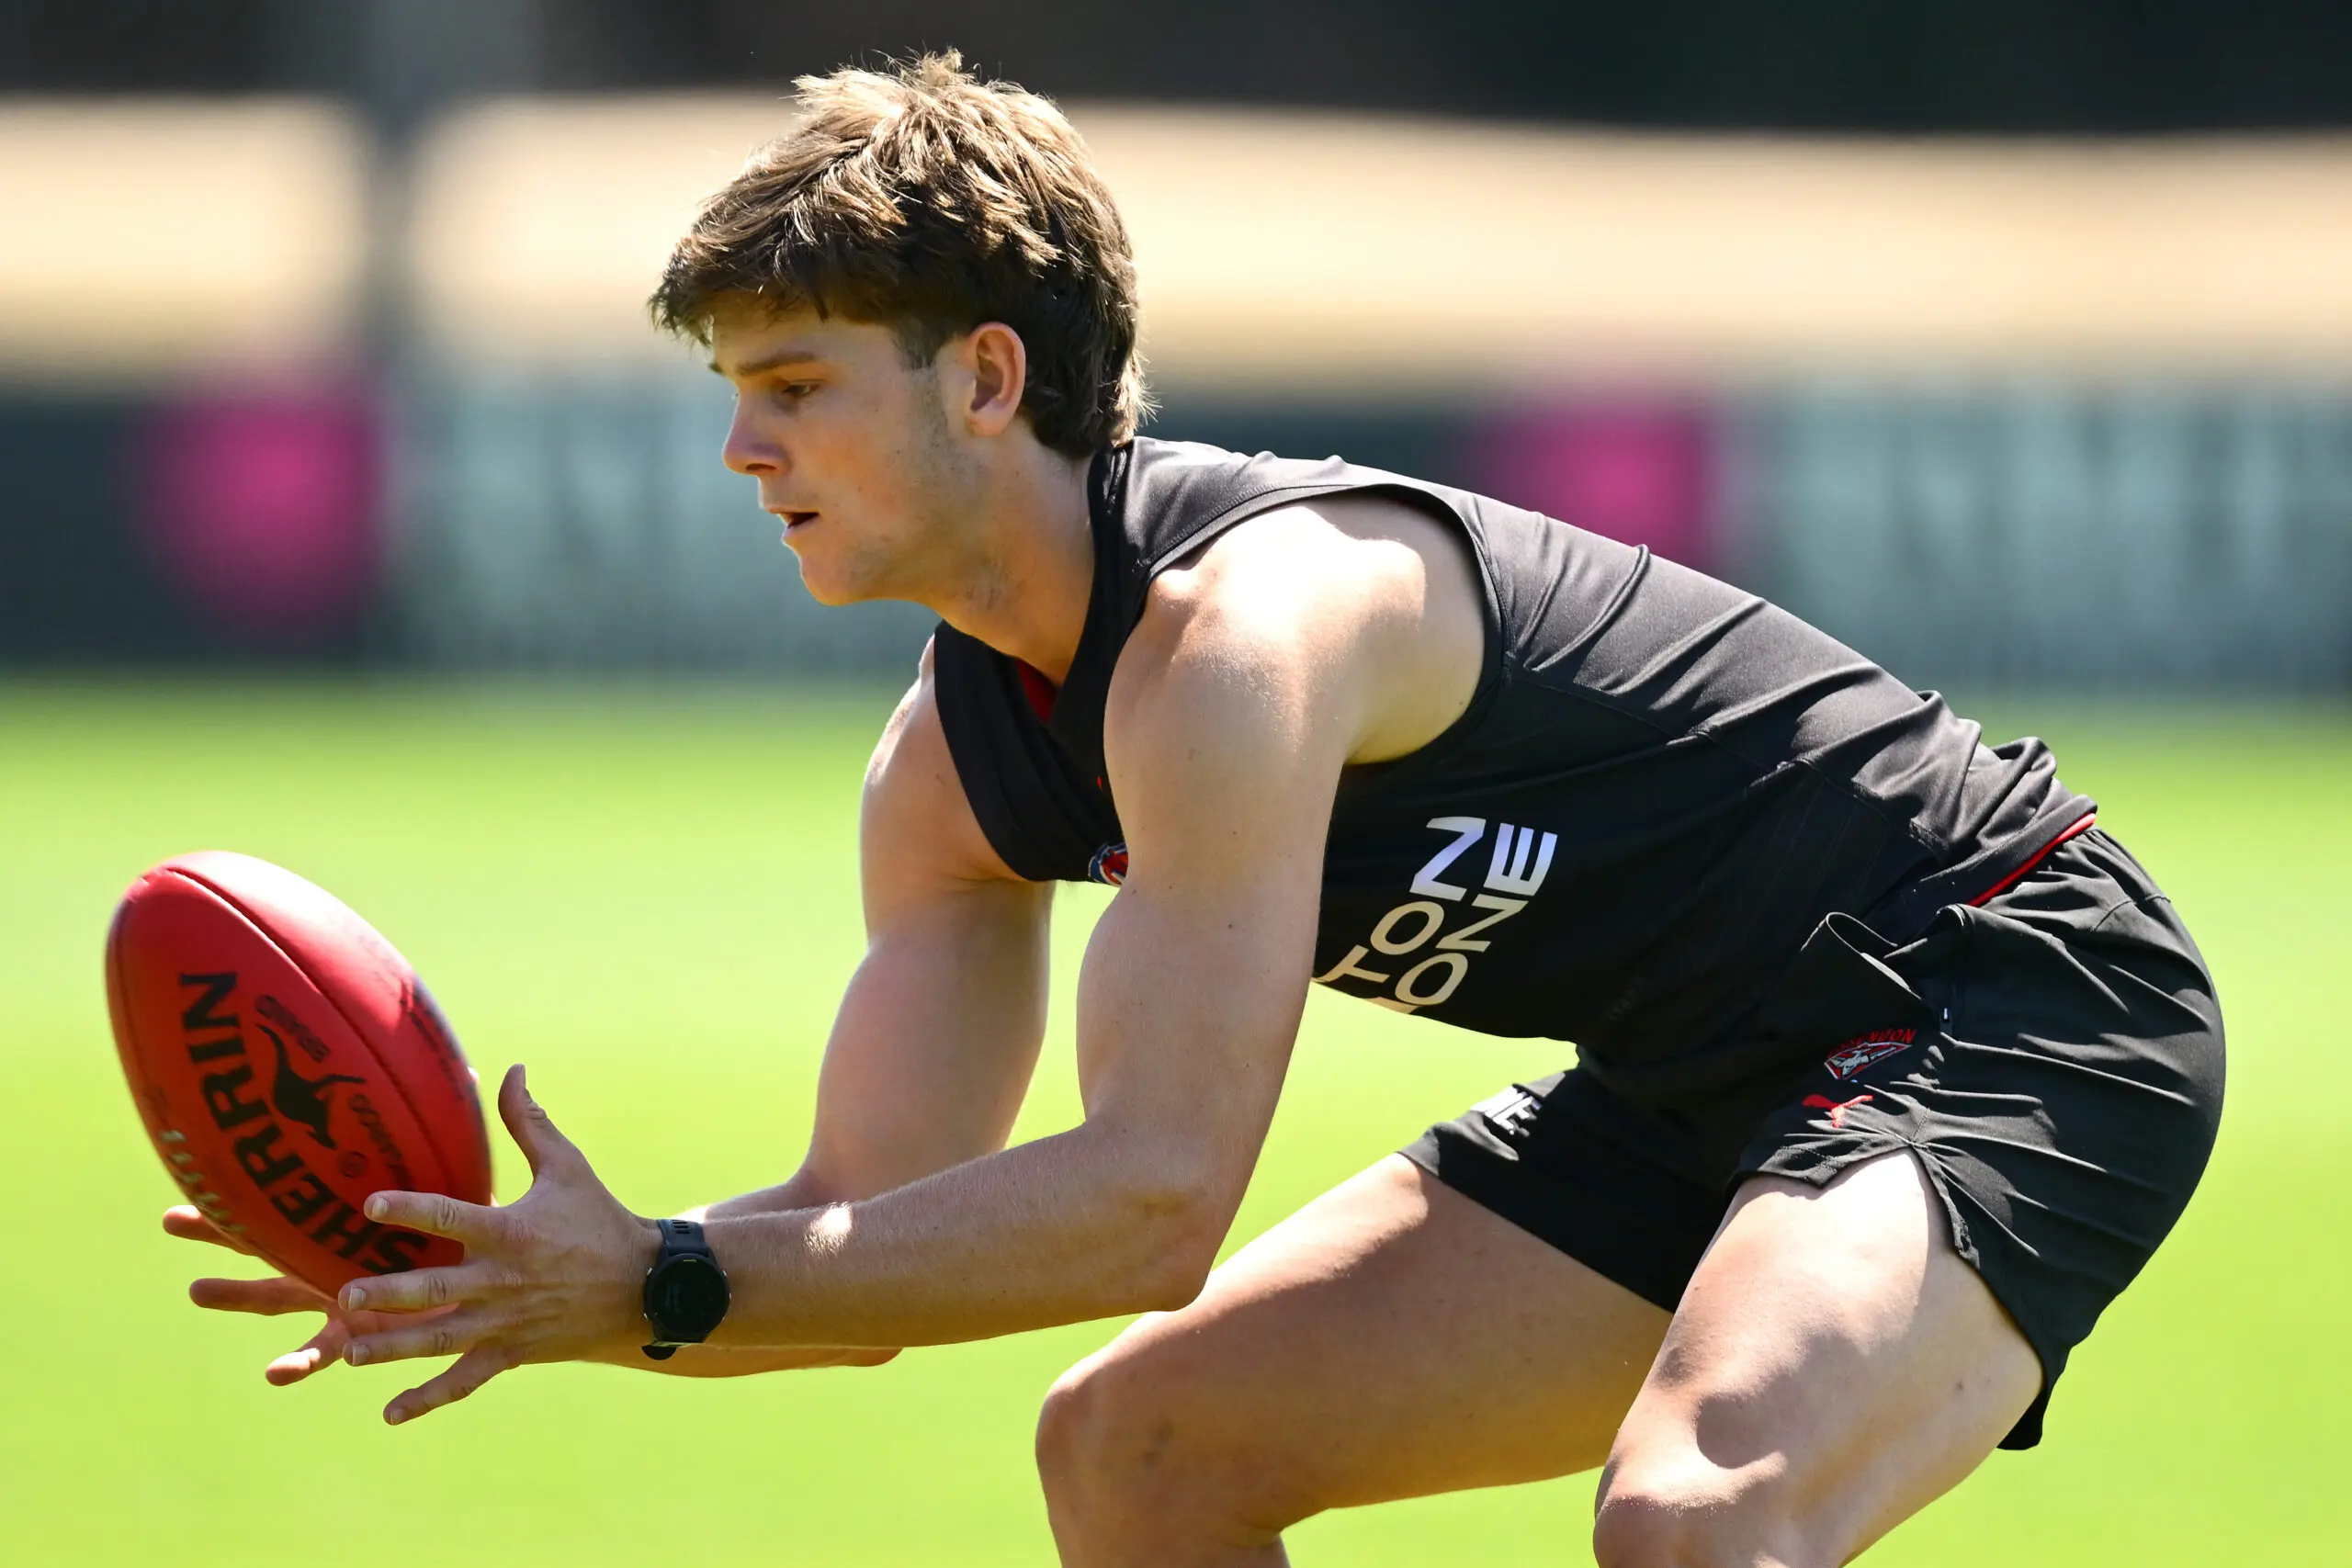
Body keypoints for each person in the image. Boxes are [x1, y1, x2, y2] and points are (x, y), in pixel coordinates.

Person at [166, 53, 2223, 1568]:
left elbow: (1155, 1202)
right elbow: (860, 1234)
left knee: (1694, 1518)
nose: (737, 447)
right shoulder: (954, 774)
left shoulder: (1252, 634)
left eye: (792, 385)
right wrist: (542, 1276)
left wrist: (667, 1275)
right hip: (1691, 1079)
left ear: (984, 378)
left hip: (2002, 995)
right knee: (1140, 1456)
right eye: (731, 391)